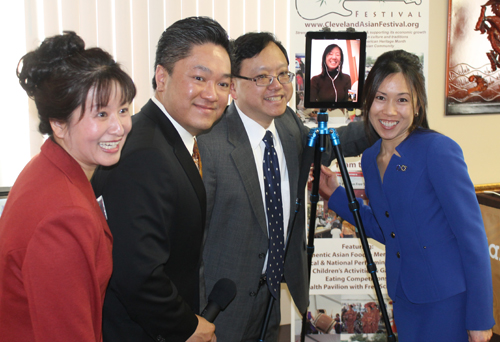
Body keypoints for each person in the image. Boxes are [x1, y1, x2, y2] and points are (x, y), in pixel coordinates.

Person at [197, 32, 371, 342]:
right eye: (262, 77)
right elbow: (194, 240)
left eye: (282, 74)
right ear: (233, 85)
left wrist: (377, 125)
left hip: (272, 293)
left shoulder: (288, 124)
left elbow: (324, 147)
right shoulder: (209, 141)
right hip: (220, 305)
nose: (277, 86)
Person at [318, 50, 494, 342]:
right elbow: (387, 230)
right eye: (380, 98)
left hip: (447, 301)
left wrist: (479, 317)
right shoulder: (370, 159)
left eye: (402, 99)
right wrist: (335, 195)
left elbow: (472, 238)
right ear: (368, 102)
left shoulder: (437, 150)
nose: (389, 111)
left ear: (417, 104)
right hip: (404, 297)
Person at [91, 17, 231, 342]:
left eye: (223, 84)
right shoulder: (145, 153)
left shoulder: (173, 139)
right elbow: (137, 274)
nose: (212, 94)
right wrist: (185, 326)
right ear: (161, 77)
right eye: (199, 78)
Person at [0, 31, 136, 341]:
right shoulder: (62, 216)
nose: (119, 127)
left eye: (124, 109)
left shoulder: (48, 168)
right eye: (101, 114)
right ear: (58, 124)